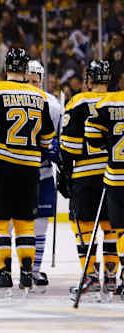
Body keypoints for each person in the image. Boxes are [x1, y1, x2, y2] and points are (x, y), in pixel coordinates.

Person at [0, 48, 55, 296]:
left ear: (6, 68)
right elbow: (47, 139)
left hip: (1, 167)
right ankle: (26, 273)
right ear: (26, 71)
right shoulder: (39, 96)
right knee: (25, 221)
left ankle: (3, 273)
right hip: (30, 170)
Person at [59, 60, 117, 298]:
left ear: (89, 80)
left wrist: (64, 171)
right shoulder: (119, 101)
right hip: (114, 175)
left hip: (85, 176)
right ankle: (112, 278)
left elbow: (69, 146)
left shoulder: (79, 101)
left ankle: (90, 276)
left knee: (83, 226)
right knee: (113, 227)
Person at [25, 60, 62, 290]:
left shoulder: (53, 105)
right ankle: (5, 268)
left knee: (39, 224)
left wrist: (57, 150)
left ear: (42, 80)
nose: (31, 85)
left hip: (42, 172)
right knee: (10, 222)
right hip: (16, 171)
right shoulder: (11, 97)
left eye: (35, 81)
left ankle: (33, 269)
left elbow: (61, 137)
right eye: (27, 80)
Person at [85, 86, 124, 299]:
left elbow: (91, 135)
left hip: (116, 178)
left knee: (120, 231)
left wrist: (106, 143)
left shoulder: (108, 103)